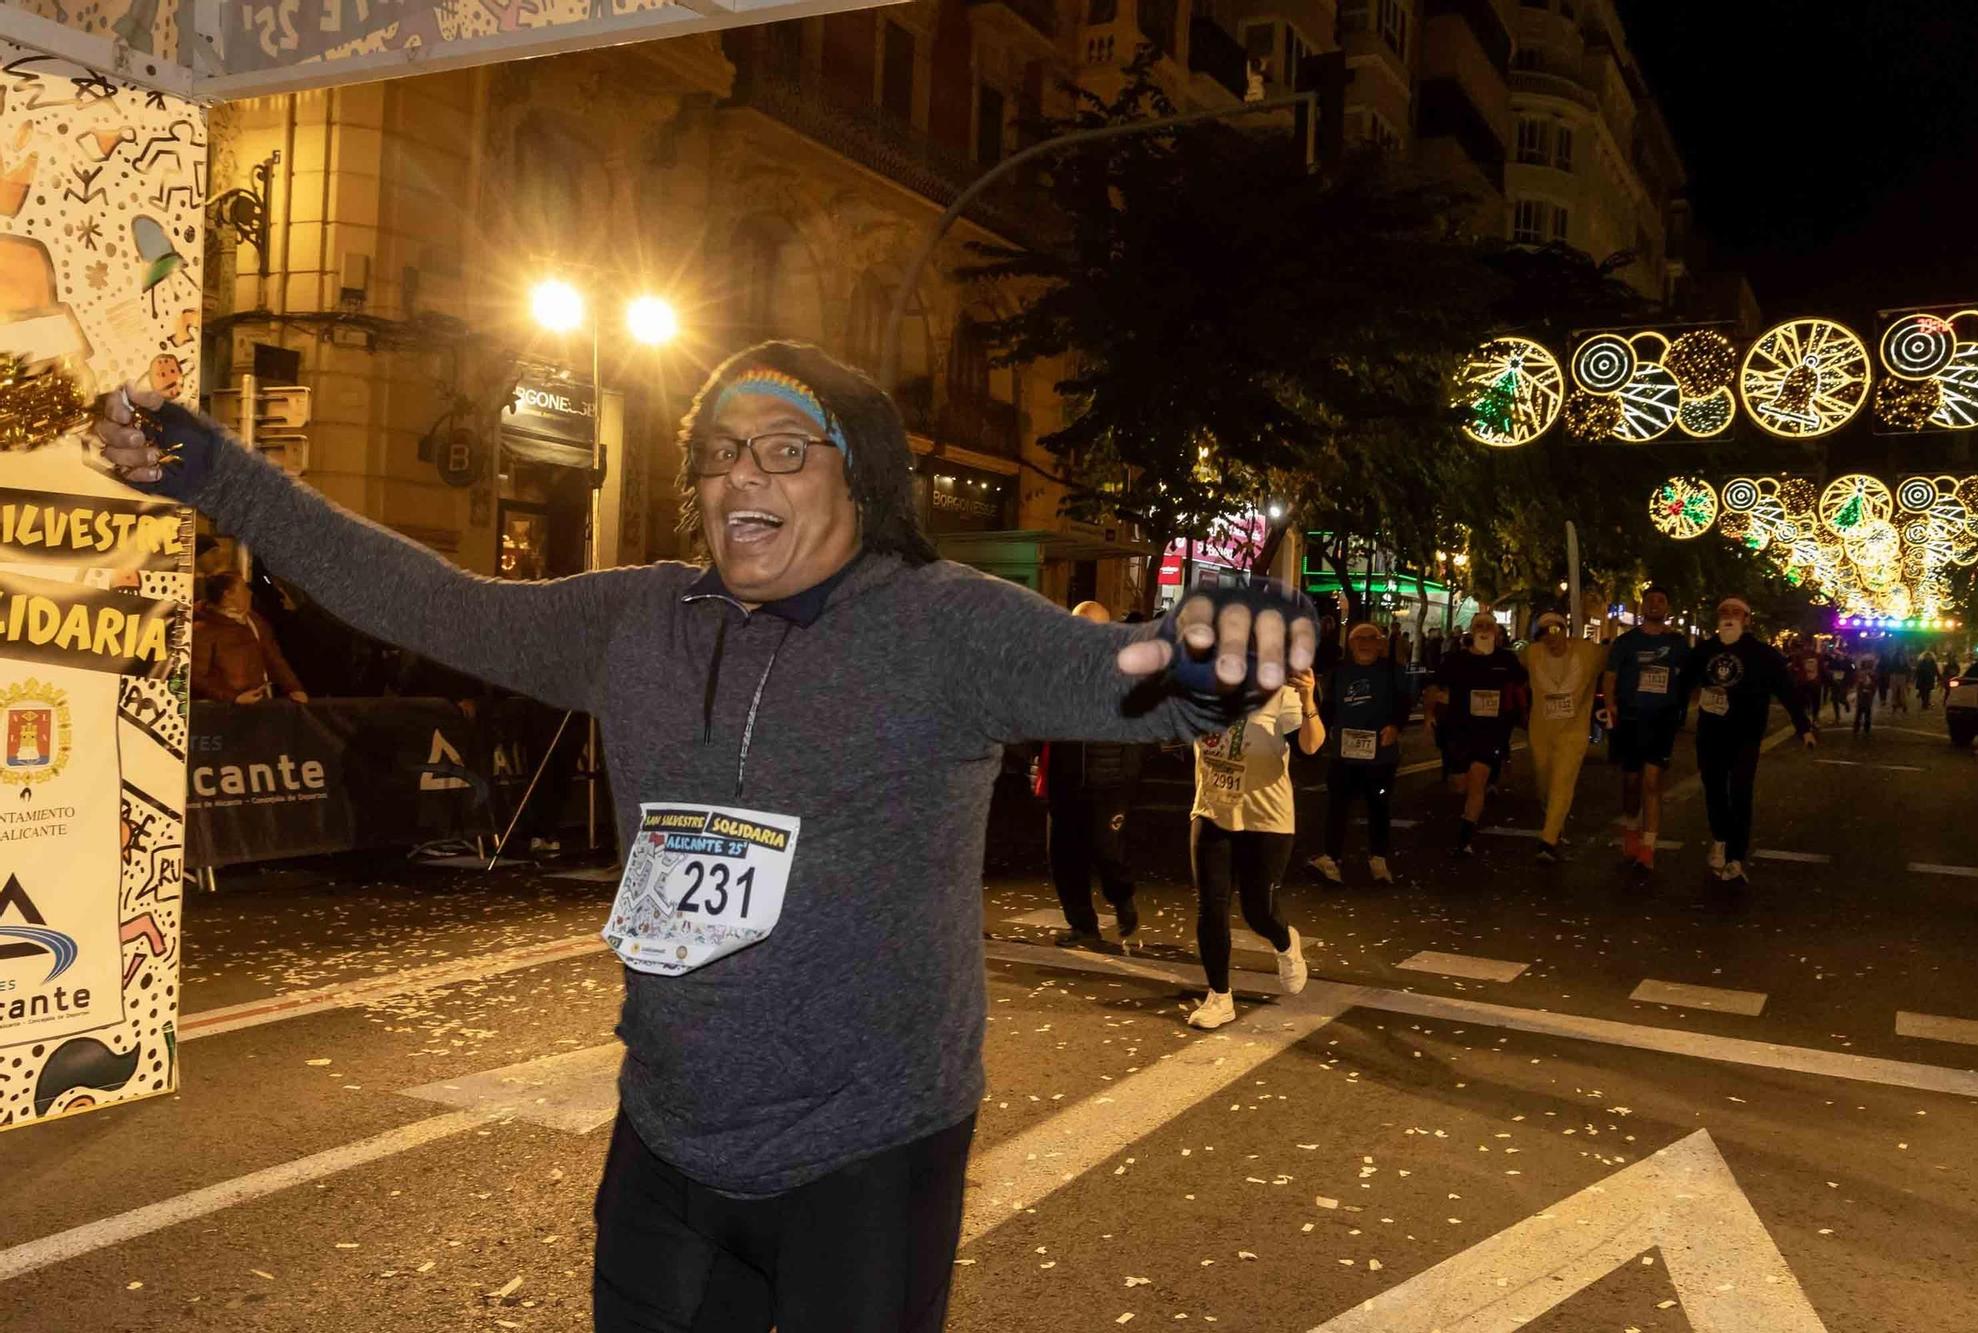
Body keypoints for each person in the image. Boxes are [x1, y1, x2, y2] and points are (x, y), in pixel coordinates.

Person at [95, 343, 1319, 1333]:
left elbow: (1118, 673)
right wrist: (219, 476)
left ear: (862, 483)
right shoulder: (635, 620)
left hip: (869, 1148)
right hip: (669, 1136)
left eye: (786, 451)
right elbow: (428, 600)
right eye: (720, 454)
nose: (745, 478)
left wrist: (1210, 660)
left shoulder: (943, 626)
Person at [1187, 660, 1323, 1029]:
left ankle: (1285, 941)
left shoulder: (1279, 688)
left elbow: (1310, 745)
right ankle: (1219, 997)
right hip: (1212, 810)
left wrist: (1308, 698)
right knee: (1210, 907)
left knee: (1258, 911)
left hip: (1266, 818)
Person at [1682, 597, 1817, 883]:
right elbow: (1681, 685)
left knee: (1741, 792)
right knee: (1714, 790)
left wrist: (1803, 727)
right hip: (1710, 734)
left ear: (1747, 620)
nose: (1729, 617)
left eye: (1736, 613)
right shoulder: (1705, 651)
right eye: (1724, 613)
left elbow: (1786, 690)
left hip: (1746, 735)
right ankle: (1720, 838)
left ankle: (1736, 856)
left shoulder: (1763, 654)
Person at [1042, 600, 1145, 949]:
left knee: (1107, 850)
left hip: (1111, 780)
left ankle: (1122, 898)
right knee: (1064, 855)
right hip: (1066, 780)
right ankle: (1083, 924)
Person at [1600, 586, 1692, 873]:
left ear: (1667, 608)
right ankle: (1630, 830)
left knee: (1652, 782)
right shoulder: (1626, 642)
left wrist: (1683, 708)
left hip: (1661, 719)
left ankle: (1648, 847)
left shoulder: (1678, 644)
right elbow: (1610, 676)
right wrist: (1612, 707)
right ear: (1642, 607)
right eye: (1650, 600)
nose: (1655, 604)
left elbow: (1690, 679)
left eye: (1661, 600)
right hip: (1629, 718)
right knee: (1630, 781)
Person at [1307, 621, 1407, 886]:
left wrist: (1395, 726)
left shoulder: (1392, 671)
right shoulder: (1339, 672)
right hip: (1344, 753)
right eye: (1358, 639)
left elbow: (1403, 703)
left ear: (1380, 643)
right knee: (1337, 806)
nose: (1364, 643)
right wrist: (1321, 731)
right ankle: (1331, 858)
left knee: (1379, 806)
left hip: (1380, 755)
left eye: (1370, 638)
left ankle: (1378, 859)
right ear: (1350, 645)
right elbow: (1328, 706)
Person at [1429, 609, 1527, 857]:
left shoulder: (1506, 660)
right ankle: (1464, 820)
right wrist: (1431, 712)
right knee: (1459, 784)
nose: (1484, 629)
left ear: (1496, 632)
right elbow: (1434, 686)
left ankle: (1465, 838)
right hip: (1458, 729)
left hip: (1490, 732)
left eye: (1488, 626)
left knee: (1478, 780)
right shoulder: (1455, 660)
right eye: (1479, 625)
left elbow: (1525, 682)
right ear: (1471, 632)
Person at [1522, 609, 1608, 863]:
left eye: (1555, 630)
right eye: (1544, 632)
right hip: (1541, 732)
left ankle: (1548, 840)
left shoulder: (1587, 652)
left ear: (1565, 630)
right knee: (1545, 781)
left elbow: (1616, 656)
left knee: (1562, 782)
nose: (1550, 637)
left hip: (1573, 732)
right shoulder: (1532, 654)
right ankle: (1554, 818)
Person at [191, 570, 308, 705]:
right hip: (222, 712)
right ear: (228, 594)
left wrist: (294, 688)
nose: (249, 592)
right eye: (243, 588)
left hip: (257, 706)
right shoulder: (203, 630)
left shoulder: (254, 621)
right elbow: (196, 677)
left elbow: (274, 658)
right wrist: (234, 698)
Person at [1852, 654, 1877, 736]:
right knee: (1860, 710)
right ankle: (1858, 727)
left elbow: (1874, 684)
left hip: (1867, 693)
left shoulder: (1872, 673)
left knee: (1866, 710)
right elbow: (1858, 682)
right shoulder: (1862, 672)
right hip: (1862, 693)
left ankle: (1865, 726)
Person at [1888, 646, 1912, 714]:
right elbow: (1907, 667)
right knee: (1901, 692)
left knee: (1896, 692)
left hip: (1896, 675)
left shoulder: (1894, 657)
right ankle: (1901, 705)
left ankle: (1896, 705)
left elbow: (1891, 667)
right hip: (1900, 675)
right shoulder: (1903, 657)